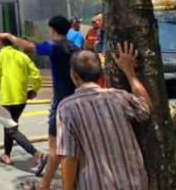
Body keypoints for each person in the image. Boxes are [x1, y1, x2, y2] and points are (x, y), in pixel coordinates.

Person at [0, 15, 79, 189]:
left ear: (52, 30)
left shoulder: (53, 46)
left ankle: (46, 184)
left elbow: (28, 46)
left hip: (60, 103)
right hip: (77, 101)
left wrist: (11, 37)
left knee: (56, 147)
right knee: (72, 147)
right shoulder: (75, 48)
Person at [57, 45, 152, 189]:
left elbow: (69, 157)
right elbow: (146, 107)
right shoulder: (119, 97)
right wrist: (129, 71)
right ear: (100, 75)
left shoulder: (67, 108)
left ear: (74, 75)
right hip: (135, 183)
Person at [0, 36, 47, 172]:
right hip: (21, 98)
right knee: (10, 126)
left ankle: (37, 154)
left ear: (1, 42)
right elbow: (36, 74)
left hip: (7, 99)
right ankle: (7, 155)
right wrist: (34, 89)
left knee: (11, 129)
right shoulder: (22, 56)